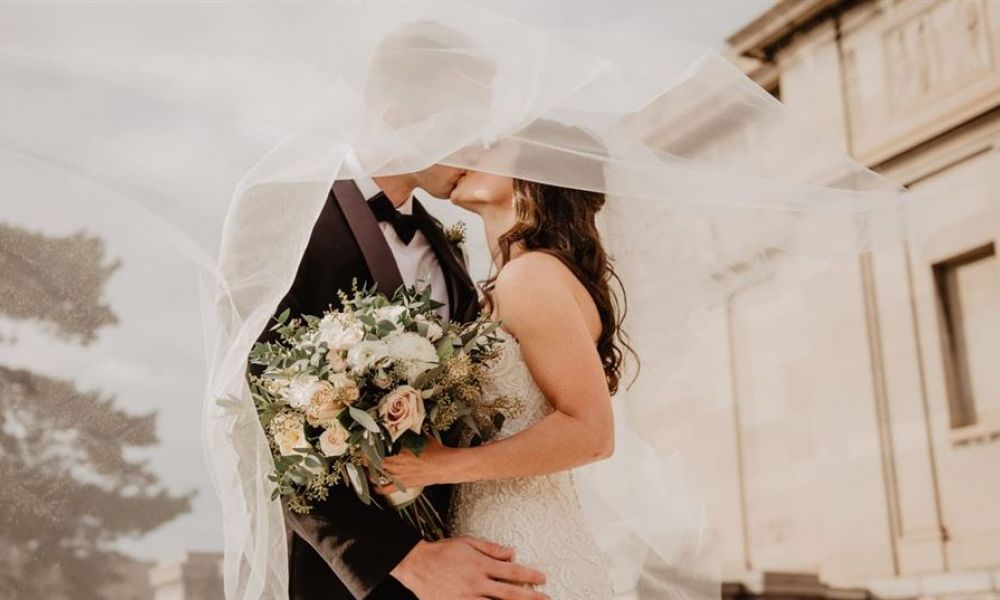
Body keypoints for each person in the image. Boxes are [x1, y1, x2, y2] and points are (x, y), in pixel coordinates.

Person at [257, 20, 549, 600]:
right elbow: (259, 415)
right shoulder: (283, 215)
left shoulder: (448, 249)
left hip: (467, 555)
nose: (474, 147)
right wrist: (405, 560)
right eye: (461, 124)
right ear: (396, 115)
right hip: (349, 579)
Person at [380, 123, 628, 599]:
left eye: (493, 146)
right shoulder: (513, 280)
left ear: (536, 173)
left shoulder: (530, 277)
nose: (470, 147)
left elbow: (592, 432)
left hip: (526, 550)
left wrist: (439, 466)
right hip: (492, 543)